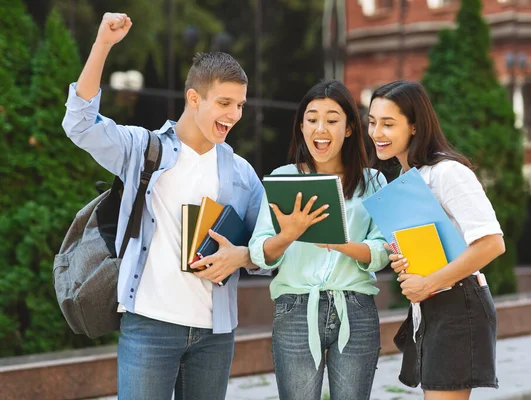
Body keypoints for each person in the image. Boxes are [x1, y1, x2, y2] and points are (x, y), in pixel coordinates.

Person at [62, 13, 265, 400]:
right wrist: (102, 44)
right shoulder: (144, 150)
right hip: (149, 327)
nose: (234, 115)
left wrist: (241, 257)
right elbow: (80, 125)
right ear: (194, 98)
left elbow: (265, 250)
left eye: (239, 105)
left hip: (214, 334)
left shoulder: (242, 173)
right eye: (224, 103)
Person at [248, 80, 389, 400]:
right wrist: (288, 235)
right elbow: (259, 251)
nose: (320, 128)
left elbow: (384, 249)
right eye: (311, 119)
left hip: (355, 309)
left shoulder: (373, 181)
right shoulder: (283, 178)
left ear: (350, 128)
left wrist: (342, 244)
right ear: (301, 127)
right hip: (296, 309)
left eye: (332, 119)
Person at [367, 80, 505, 400]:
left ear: (414, 126)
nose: (377, 133)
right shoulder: (407, 179)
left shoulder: (447, 172)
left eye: (388, 124)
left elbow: (492, 243)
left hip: (458, 304)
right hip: (431, 307)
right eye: (372, 122)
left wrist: (427, 283)